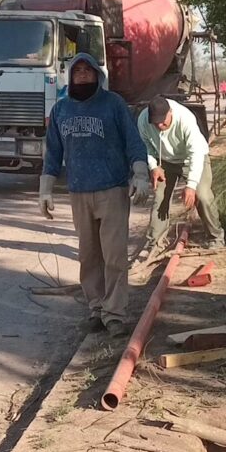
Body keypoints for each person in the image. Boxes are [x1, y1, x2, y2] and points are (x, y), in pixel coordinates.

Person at [38, 53, 151, 338]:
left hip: (112, 190)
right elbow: (53, 153)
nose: (83, 75)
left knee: (113, 256)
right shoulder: (61, 111)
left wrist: (140, 174)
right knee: (89, 257)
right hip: (79, 192)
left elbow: (133, 141)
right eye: (78, 71)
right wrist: (45, 189)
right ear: (70, 76)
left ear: (97, 75)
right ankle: (97, 308)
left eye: (88, 70)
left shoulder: (112, 104)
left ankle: (115, 315)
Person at [136, 96, 224, 257]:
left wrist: (190, 185)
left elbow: (195, 153)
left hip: (192, 159)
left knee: (203, 196)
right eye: (155, 122)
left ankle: (215, 237)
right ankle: (155, 243)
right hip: (165, 161)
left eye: (163, 121)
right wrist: (154, 166)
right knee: (160, 198)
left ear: (171, 112)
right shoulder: (143, 120)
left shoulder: (186, 119)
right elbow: (146, 146)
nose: (159, 125)